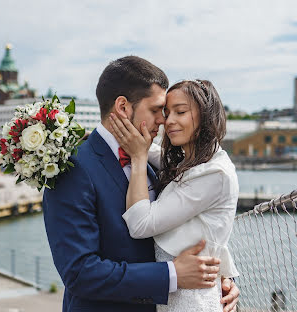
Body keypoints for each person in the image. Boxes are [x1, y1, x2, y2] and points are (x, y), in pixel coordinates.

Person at [43, 57, 239, 312]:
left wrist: (223, 278)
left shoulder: (150, 159)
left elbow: (193, 224)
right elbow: (80, 273)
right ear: (123, 107)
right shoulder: (72, 169)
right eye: (157, 110)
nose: (164, 120)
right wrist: (172, 275)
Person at [109, 79, 239, 312]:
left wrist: (138, 159)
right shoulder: (192, 161)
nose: (168, 122)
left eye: (180, 112)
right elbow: (160, 155)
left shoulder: (214, 173)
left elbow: (140, 225)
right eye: (166, 113)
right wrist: (110, 135)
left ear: (207, 116)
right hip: (176, 294)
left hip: (191, 301)